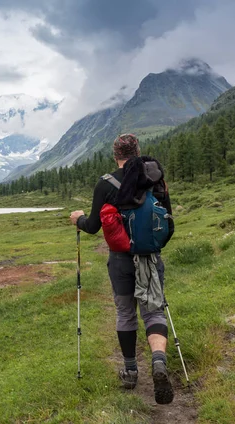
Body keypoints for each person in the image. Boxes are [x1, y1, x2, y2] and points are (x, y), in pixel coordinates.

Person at [69, 133, 175, 405]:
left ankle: (130, 371)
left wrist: (78, 219)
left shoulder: (106, 184)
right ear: (138, 150)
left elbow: (93, 226)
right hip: (150, 257)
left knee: (126, 312)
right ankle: (159, 361)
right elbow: (168, 221)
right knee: (153, 310)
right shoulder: (155, 177)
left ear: (115, 154)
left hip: (120, 260)